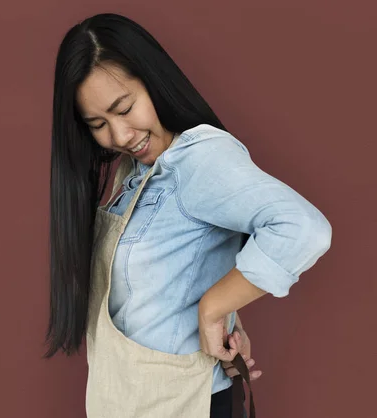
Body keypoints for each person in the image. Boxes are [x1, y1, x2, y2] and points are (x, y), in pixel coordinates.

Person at [44, 12, 332, 418]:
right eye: (98, 124)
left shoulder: (198, 159)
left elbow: (303, 228)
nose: (120, 136)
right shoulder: (135, 173)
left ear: (153, 80)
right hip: (128, 402)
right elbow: (174, 272)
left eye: (124, 107)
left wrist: (214, 308)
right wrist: (230, 324)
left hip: (181, 405)